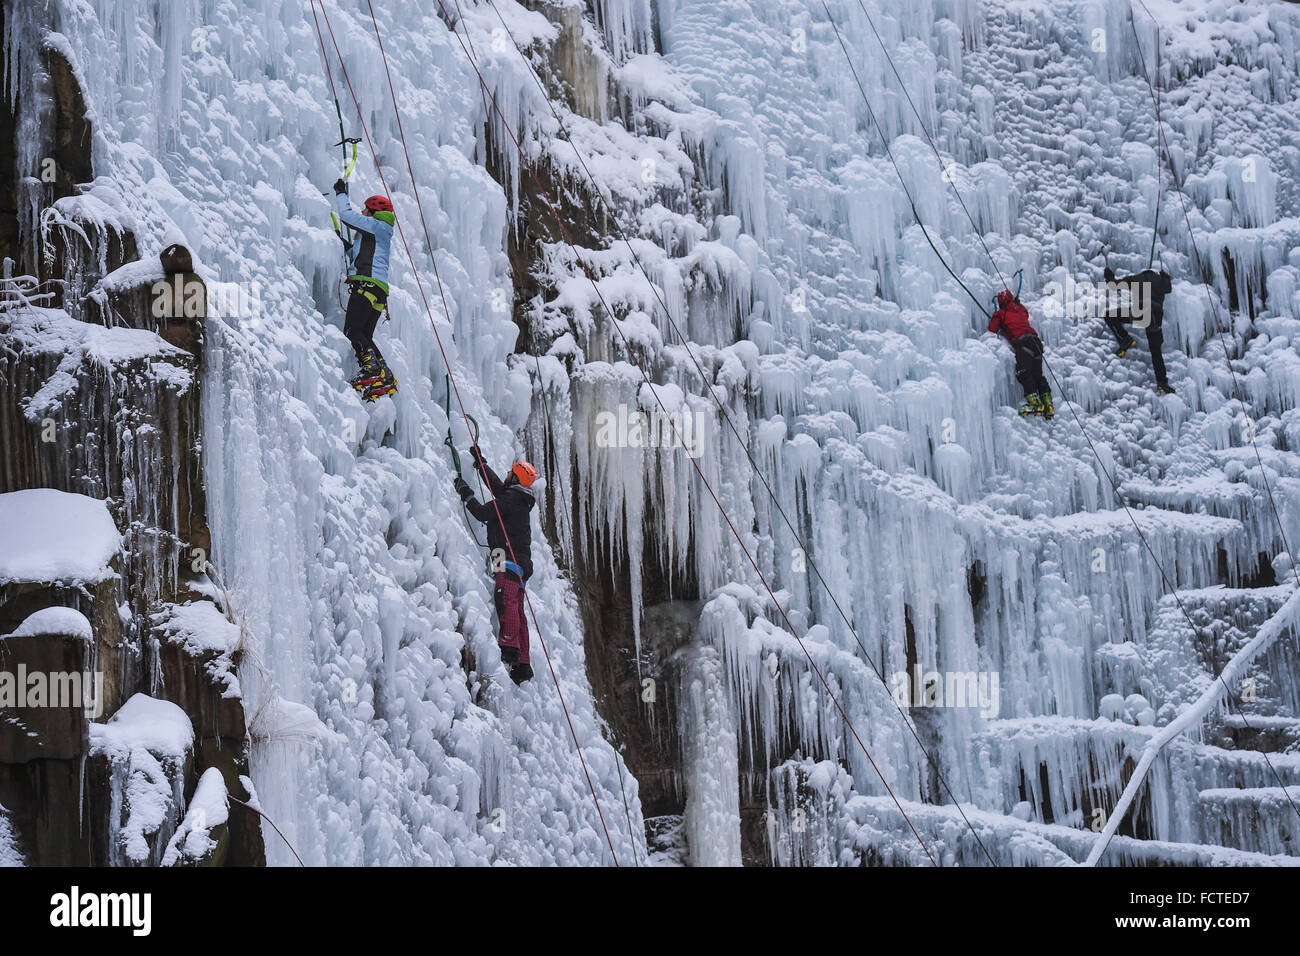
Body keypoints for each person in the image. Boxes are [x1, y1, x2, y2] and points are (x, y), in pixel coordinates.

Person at [454, 447, 539, 684]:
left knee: (506, 599)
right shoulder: (517, 498)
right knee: (518, 607)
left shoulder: (511, 500)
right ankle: (523, 663)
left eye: (512, 472)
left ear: (516, 477)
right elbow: (496, 486)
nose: (508, 475)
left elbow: (483, 513)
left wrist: (466, 493)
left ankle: (510, 648)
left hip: (510, 560)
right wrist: (481, 463)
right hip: (519, 562)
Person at [333, 179, 397, 400]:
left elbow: (347, 216)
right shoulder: (376, 233)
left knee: (353, 330)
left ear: (373, 211)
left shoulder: (378, 225)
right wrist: (347, 248)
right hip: (378, 290)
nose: (362, 211)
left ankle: (371, 370)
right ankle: (384, 374)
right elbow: (361, 255)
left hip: (367, 285)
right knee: (365, 335)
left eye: (365, 209)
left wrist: (341, 194)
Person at [1103, 266, 1175, 394]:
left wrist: (1109, 276)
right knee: (1156, 352)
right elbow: (1168, 288)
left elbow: (1114, 286)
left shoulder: (1136, 278)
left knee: (1110, 315)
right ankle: (1162, 383)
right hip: (1155, 319)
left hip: (1140, 313)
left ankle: (1125, 339)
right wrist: (1166, 277)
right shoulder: (1160, 280)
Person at [988, 289, 1053, 419]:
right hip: (1036, 342)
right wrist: (1017, 304)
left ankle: (1035, 403)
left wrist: (997, 318)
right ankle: (1048, 404)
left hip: (1023, 344)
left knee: (1023, 372)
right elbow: (1025, 313)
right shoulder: (1019, 309)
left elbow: (992, 329)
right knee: (1037, 375)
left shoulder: (1000, 313)